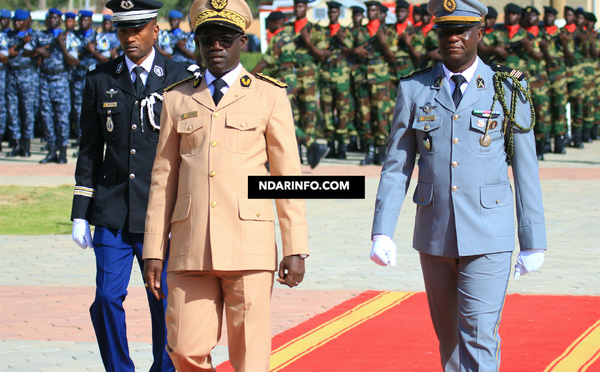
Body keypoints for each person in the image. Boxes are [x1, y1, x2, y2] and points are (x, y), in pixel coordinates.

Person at [369, 0, 547, 370]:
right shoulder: (415, 89)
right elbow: (397, 164)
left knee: (480, 334)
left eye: (462, 31)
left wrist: (533, 240)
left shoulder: (507, 90)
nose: (454, 39)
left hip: (489, 232)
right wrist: (382, 231)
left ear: (479, 34)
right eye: (446, 31)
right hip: (435, 234)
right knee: (449, 339)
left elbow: (526, 168)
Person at [141, 0, 309, 369]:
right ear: (198, 43)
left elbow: (287, 177)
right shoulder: (177, 97)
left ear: (242, 43)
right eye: (207, 39)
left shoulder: (269, 95)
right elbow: (163, 178)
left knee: (249, 356)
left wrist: (295, 246)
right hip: (190, 246)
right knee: (184, 349)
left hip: (248, 244)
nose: (216, 46)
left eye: (225, 38)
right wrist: (153, 247)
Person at [70, 0, 190, 370]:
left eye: (137, 29)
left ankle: (163, 367)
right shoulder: (100, 79)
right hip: (113, 211)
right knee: (106, 297)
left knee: (165, 298)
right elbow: (89, 150)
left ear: (156, 30)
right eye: (123, 30)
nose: (130, 37)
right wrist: (80, 213)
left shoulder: (181, 78)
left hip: (161, 213)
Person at [28, 8, 78, 164]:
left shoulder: (68, 37)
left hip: (60, 80)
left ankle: (62, 152)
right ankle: (51, 151)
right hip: (44, 80)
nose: (52, 20)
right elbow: (24, 52)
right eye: (49, 18)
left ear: (60, 20)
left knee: (62, 118)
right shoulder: (41, 36)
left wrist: (61, 45)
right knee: (46, 117)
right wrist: (37, 51)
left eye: (55, 18)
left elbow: (74, 62)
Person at [284, 0, 330, 168]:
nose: (298, 9)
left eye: (301, 6)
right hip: (290, 77)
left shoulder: (315, 30)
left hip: (308, 76)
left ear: (307, 8)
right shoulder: (286, 28)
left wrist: (308, 42)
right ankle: (296, 153)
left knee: (308, 115)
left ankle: (312, 152)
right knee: (290, 115)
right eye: (296, 6)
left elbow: (322, 54)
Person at [319, 1, 353, 159]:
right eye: (330, 12)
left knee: (342, 111)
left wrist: (341, 39)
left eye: (334, 12)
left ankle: (342, 146)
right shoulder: (322, 31)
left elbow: (352, 50)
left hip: (341, 77)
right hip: (325, 75)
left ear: (339, 13)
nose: (332, 15)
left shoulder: (346, 31)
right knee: (327, 112)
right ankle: (331, 145)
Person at [4, 9, 35, 158]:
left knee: (27, 112)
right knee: (12, 111)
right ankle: (16, 144)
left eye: (20, 21)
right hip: (11, 75)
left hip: (27, 75)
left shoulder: (32, 36)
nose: (17, 23)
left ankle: (26, 145)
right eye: (15, 21)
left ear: (26, 22)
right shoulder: (7, 36)